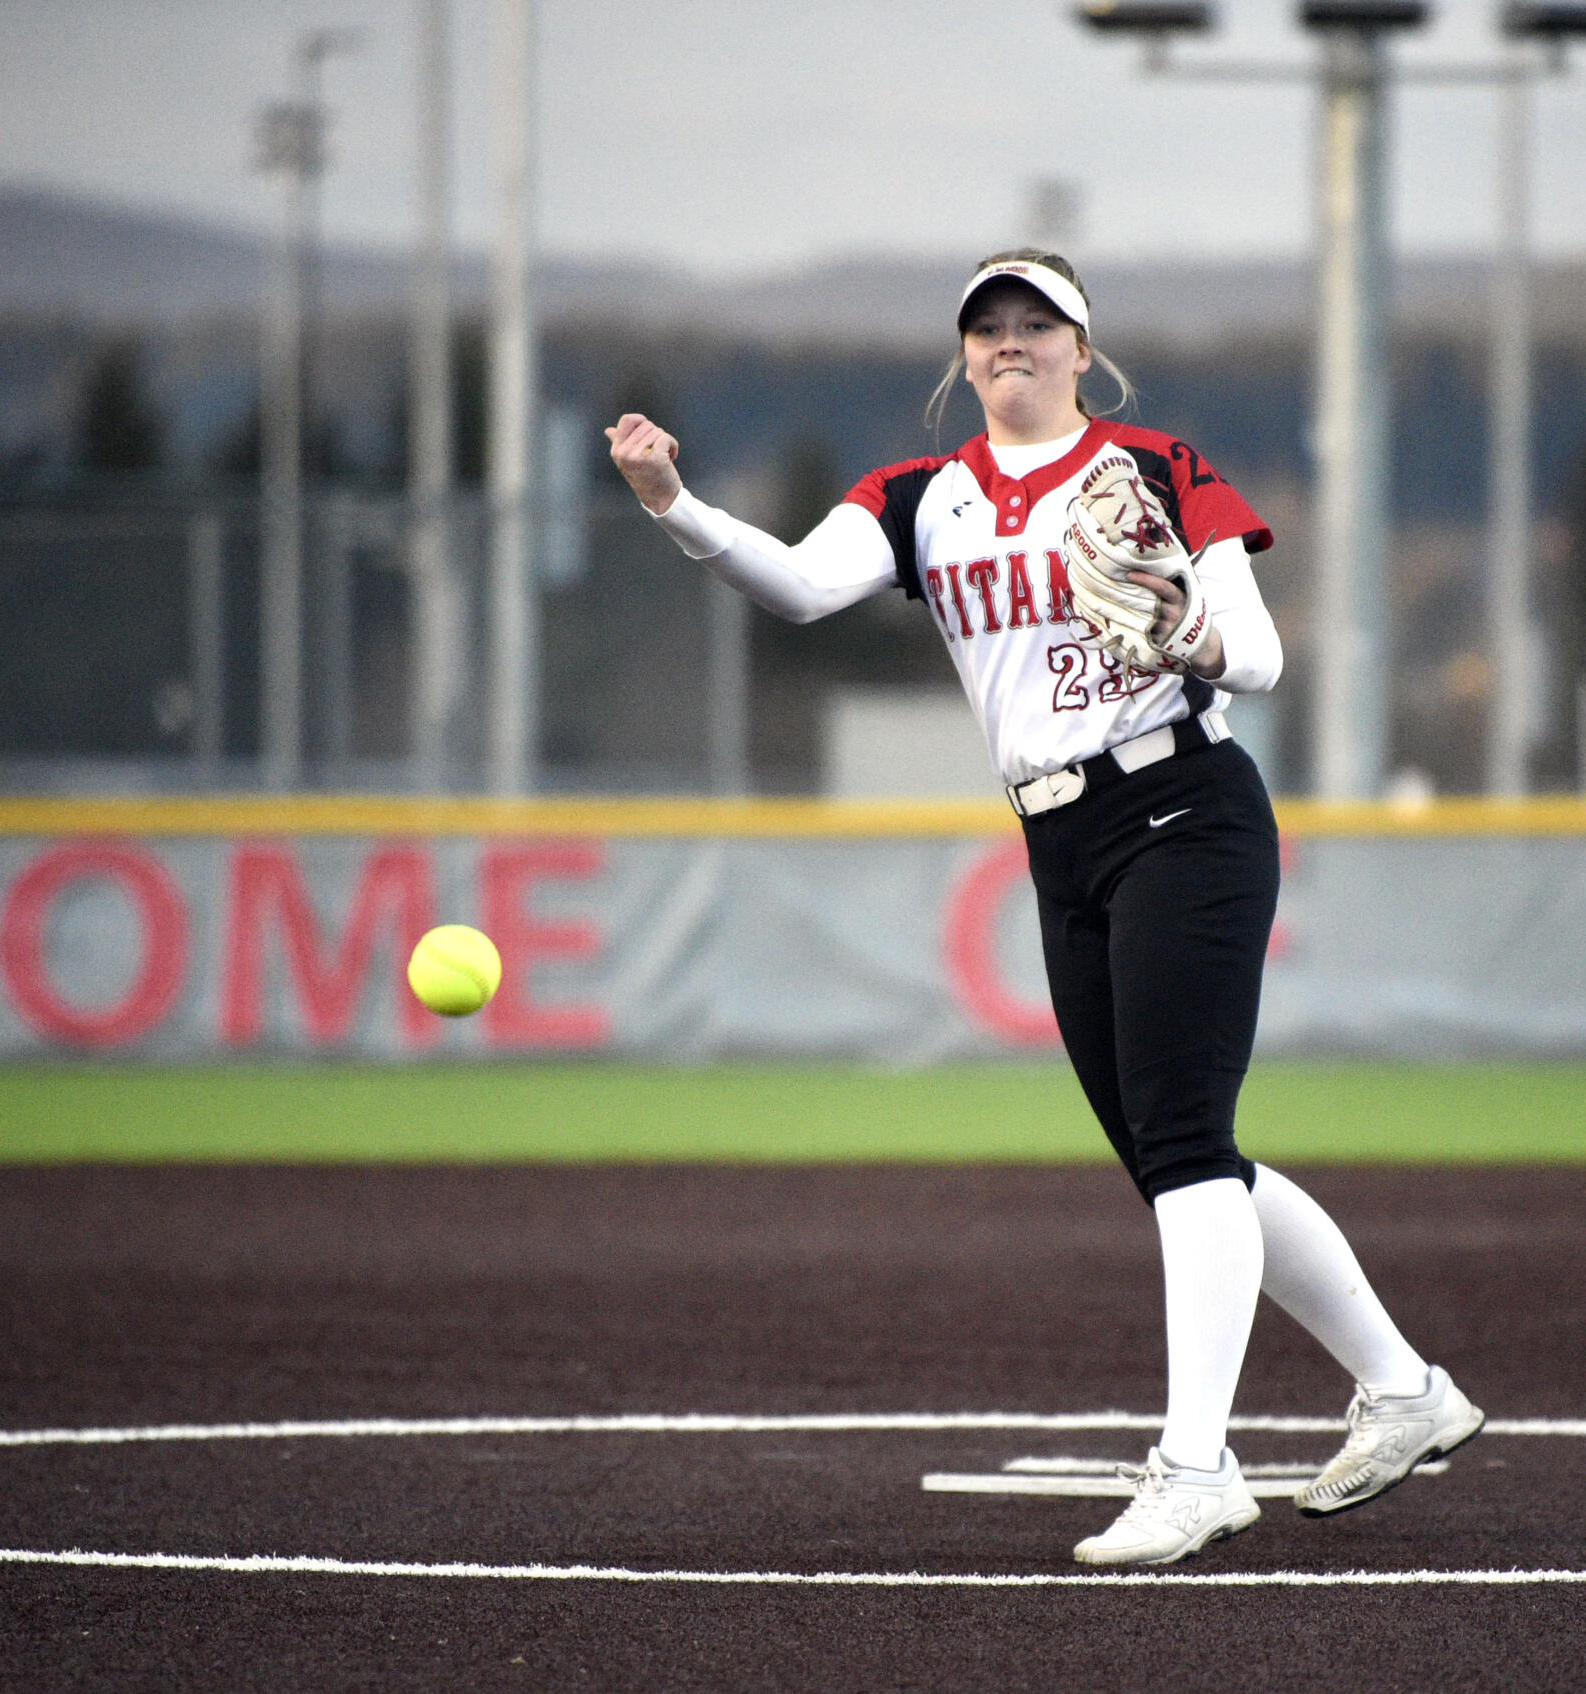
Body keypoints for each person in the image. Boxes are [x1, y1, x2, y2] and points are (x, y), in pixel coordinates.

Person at [608, 250, 1480, 1566]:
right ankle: (1407, 1390)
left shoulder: (1155, 470)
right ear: (964, 357)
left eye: (1037, 323)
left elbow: (1262, 655)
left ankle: (1196, 1469)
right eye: (988, 327)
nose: (1011, 342)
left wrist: (1185, 631)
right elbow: (793, 585)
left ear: (1084, 347)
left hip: (1184, 806)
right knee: (1180, 1160)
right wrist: (673, 502)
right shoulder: (922, 497)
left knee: (1185, 1142)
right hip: (1061, 836)